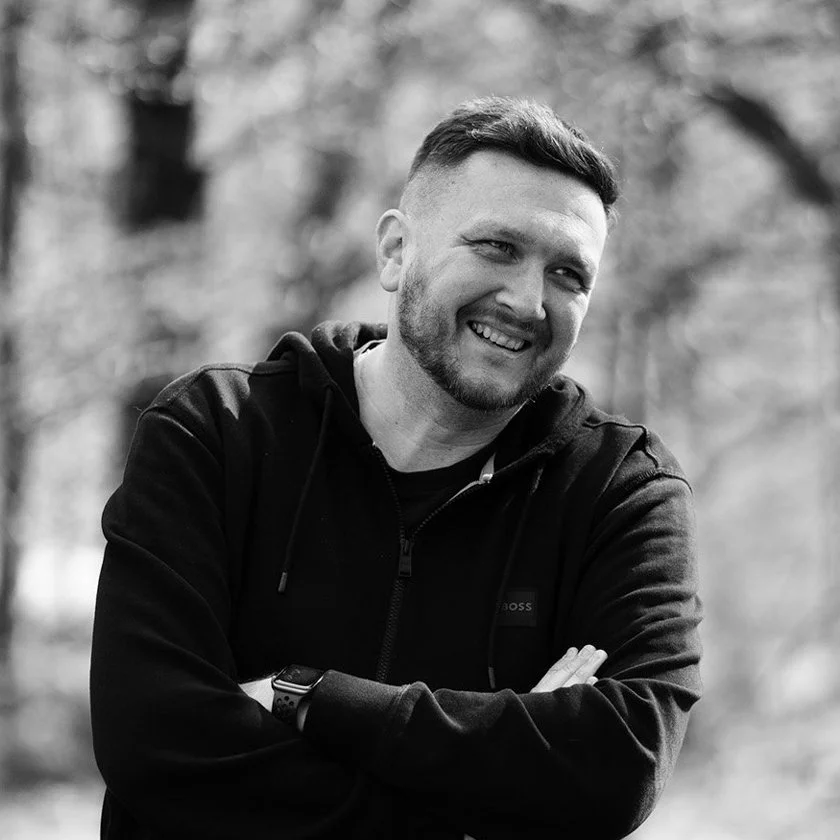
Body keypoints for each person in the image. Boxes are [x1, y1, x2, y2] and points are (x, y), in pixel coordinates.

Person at [90, 96, 702, 839]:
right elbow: (153, 745)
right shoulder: (216, 431)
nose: (528, 300)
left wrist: (310, 696)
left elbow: (621, 765)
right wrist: (490, 802)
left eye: (570, 275)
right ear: (394, 252)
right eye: (496, 247)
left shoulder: (620, 492)